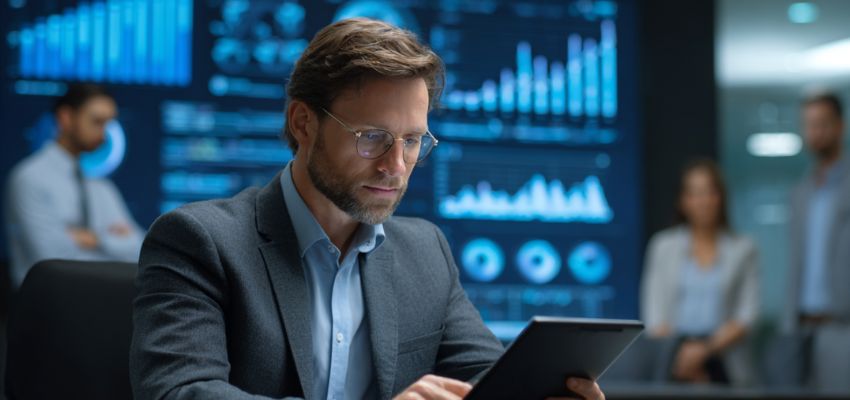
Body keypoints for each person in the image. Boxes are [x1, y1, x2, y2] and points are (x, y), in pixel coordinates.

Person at [129, 18, 605, 400]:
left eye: (412, 141)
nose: (395, 166)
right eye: (372, 137)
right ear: (303, 123)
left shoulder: (426, 252)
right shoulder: (199, 241)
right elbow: (180, 391)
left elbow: (484, 377)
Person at [4, 83, 145, 289]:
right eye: (97, 121)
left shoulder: (101, 187)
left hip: (100, 300)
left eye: (108, 123)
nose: (104, 135)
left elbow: (141, 249)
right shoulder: (29, 178)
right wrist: (115, 242)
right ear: (66, 118)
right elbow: (53, 261)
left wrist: (96, 239)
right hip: (46, 303)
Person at [641, 159, 759, 386]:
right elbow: (654, 315)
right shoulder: (662, 246)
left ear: (721, 198)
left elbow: (747, 316)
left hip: (724, 361)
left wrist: (703, 351)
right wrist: (682, 355)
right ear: (682, 201)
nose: (703, 201)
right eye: (694, 193)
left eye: (709, 192)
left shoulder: (743, 249)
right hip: (674, 361)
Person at [782, 93, 850, 383]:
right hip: (802, 327)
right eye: (809, 125)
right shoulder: (800, 192)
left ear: (840, 126)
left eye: (822, 123)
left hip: (842, 324)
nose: (815, 132)